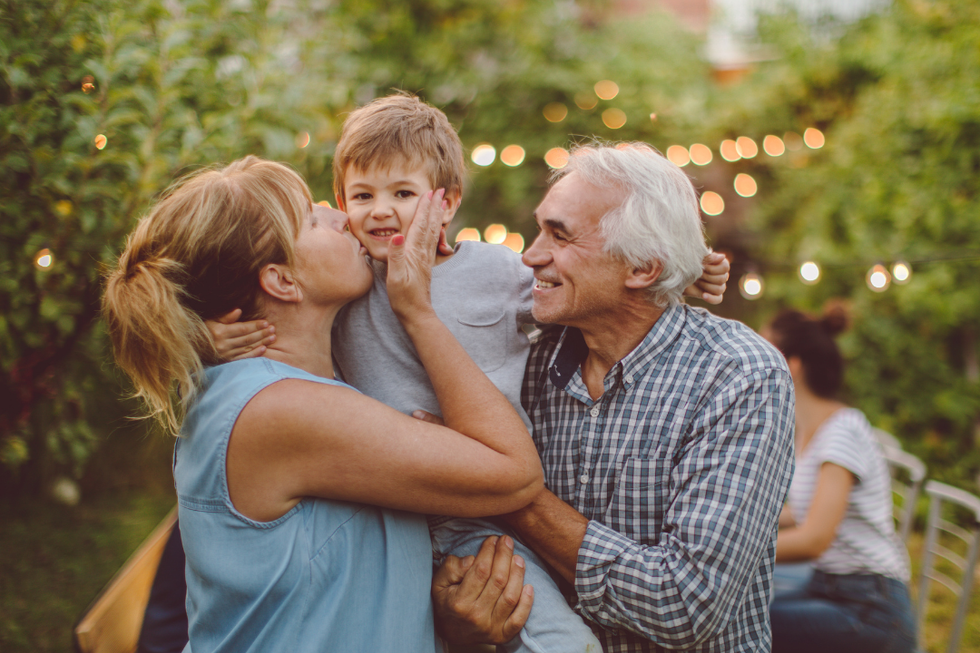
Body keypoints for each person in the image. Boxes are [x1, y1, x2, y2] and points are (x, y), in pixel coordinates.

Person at [207, 95, 730, 653]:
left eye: (403, 194)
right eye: (362, 197)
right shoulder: (351, 283)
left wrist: (676, 269)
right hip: (393, 501)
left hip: (482, 512)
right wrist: (205, 336)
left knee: (563, 639)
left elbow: (585, 289)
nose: (380, 211)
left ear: (446, 202)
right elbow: (263, 316)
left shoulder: (494, 271)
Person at [101, 156, 545, 653]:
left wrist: (446, 626)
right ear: (283, 282)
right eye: (312, 219)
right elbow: (515, 472)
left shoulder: (271, 389)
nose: (342, 216)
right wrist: (415, 309)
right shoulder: (280, 409)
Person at [431, 142, 796, 653]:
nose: (530, 256)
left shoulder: (737, 376)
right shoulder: (523, 359)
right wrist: (463, 619)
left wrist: (500, 482)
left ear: (643, 267)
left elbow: (684, 605)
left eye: (559, 235)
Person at [763, 307, 916, 653]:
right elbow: (801, 512)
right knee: (744, 610)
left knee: (741, 624)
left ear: (792, 365)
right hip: (831, 588)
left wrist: (731, 550)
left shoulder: (842, 430)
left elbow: (814, 539)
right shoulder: (809, 431)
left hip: (870, 608)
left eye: (761, 346)